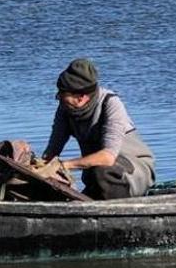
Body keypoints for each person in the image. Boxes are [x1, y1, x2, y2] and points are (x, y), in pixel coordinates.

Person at [43, 58, 155, 200]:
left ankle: (115, 214)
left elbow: (108, 158)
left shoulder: (110, 104)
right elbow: (52, 150)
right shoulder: (65, 109)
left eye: (63, 95)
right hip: (97, 178)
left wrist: (65, 165)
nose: (59, 99)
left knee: (103, 171)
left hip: (133, 173)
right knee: (96, 174)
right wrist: (41, 167)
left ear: (81, 97)